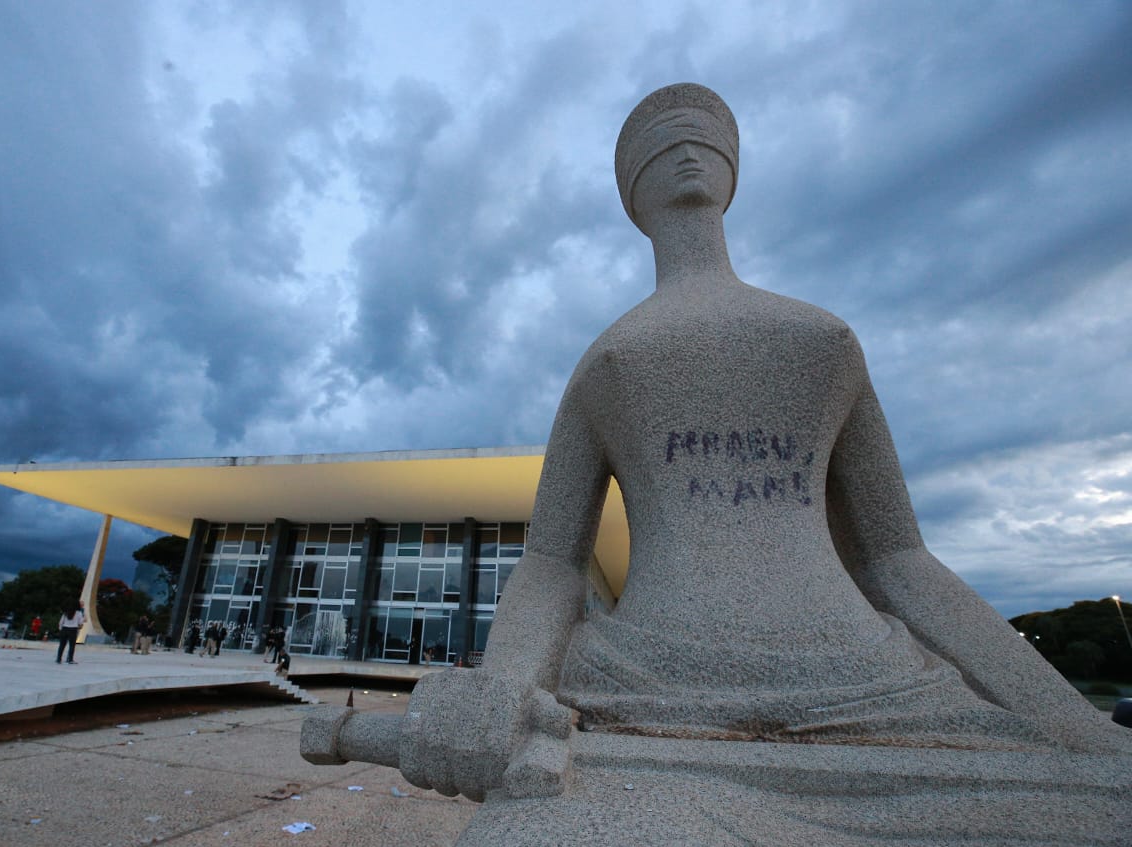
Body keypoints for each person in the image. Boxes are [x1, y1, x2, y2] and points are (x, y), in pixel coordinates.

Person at [400, 83, 1130, 803]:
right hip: (641, 683)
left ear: (732, 171)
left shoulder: (824, 342)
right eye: (661, 144)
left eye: (702, 137)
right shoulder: (611, 362)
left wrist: (1071, 721)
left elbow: (898, 559)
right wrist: (503, 690)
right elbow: (553, 561)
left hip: (872, 682)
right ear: (631, 192)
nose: (685, 149)